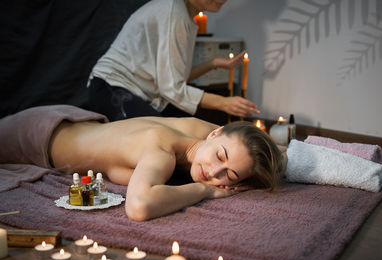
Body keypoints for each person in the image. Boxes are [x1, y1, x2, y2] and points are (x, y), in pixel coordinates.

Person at [0, 105, 285, 221]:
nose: (213, 172)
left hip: (72, 121)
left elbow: (265, 152)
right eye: (219, 157)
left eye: (230, 175)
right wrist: (206, 191)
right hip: (36, 138)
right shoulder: (161, 152)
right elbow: (139, 207)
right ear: (215, 133)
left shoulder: (206, 134)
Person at [87, 0, 260, 121]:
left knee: (188, 129)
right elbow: (171, 88)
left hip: (137, 92)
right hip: (111, 87)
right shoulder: (174, 12)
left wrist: (213, 64)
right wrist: (223, 103)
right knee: (162, 137)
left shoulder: (186, 18)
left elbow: (174, 80)